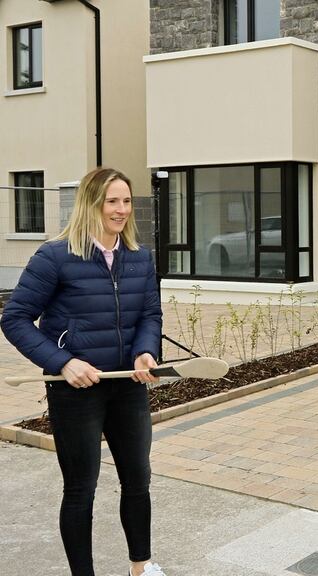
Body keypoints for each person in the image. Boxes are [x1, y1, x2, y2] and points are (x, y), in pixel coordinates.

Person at [1, 167, 166, 576]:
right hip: (75, 390)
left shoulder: (139, 257)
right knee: (80, 490)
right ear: (91, 204)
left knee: (138, 481)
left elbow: (149, 314)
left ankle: (141, 568)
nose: (121, 209)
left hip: (127, 385)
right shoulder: (55, 256)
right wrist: (62, 362)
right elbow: (16, 318)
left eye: (126, 201)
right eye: (112, 201)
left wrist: (145, 352)